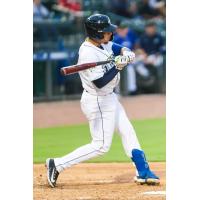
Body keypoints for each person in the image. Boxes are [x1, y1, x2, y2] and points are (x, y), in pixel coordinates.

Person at [46, 14, 160, 188]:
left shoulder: (101, 43)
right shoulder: (87, 53)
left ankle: (143, 171)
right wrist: (118, 66)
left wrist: (125, 53)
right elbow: (99, 83)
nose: (110, 34)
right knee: (100, 146)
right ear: (97, 33)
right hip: (97, 100)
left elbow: (116, 47)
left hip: (110, 97)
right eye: (107, 31)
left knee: (127, 130)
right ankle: (58, 164)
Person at [113, 21, 138, 95]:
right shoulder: (116, 39)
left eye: (125, 29)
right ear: (119, 30)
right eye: (122, 29)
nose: (124, 30)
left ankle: (132, 89)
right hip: (117, 60)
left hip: (128, 61)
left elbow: (132, 49)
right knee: (117, 72)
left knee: (131, 68)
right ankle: (117, 91)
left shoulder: (128, 38)